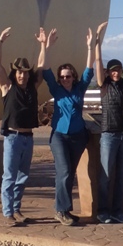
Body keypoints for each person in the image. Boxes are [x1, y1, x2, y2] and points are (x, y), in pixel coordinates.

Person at [38, 26, 96, 226]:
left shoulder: (79, 89)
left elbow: (90, 70)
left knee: (69, 174)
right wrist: (47, 46)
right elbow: (45, 70)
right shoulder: (56, 89)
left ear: (73, 76)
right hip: (59, 136)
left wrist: (90, 47)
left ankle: (64, 211)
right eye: (62, 76)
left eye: (68, 76)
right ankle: (60, 211)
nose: (64, 79)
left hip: (78, 136)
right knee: (63, 172)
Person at [0, 26, 41, 227]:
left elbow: (42, 65)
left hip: (28, 138)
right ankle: (7, 213)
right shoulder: (7, 87)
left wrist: (43, 44)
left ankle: (16, 209)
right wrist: (0, 42)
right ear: (15, 73)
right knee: (10, 176)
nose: (22, 75)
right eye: (19, 72)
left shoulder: (32, 88)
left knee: (22, 177)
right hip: (12, 138)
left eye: (25, 73)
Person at [96, 20, 123, 224]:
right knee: (105, 176)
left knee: (122, 176)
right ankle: (103, 211)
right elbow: (97, 62)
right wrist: (97, 41)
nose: (116, 72)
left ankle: (117, 211)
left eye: (118, 69)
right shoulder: (103, 85)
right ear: (107, 72)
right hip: (109, 135)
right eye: (112, 70)